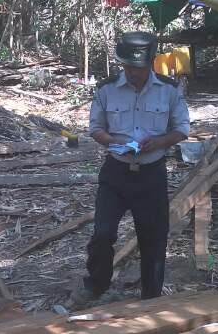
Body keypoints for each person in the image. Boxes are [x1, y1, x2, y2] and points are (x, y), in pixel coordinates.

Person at [70, 32, 189, 308]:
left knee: (153, 238)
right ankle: (96, 284)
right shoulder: (107, 89)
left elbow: (182, 129)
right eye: (129, 67)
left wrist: (159, 142)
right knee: (102, 233)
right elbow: (96, 128)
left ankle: (151, 296)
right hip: (116, 172)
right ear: (121, 63)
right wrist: (113, 142)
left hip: (151, 174)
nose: (134, 72)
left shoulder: (169, 90)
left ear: (151, 62)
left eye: (140, 67)